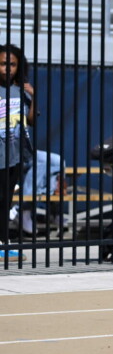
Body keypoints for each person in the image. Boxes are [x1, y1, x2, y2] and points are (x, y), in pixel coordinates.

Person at [0, 44, 34, 259]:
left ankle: (4, 241)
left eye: (12, 64)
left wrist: (33, 94)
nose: (7, 68)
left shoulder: (21, 91)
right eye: (3, 64)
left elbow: (31, 120)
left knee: (6, 200)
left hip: (13, 154)